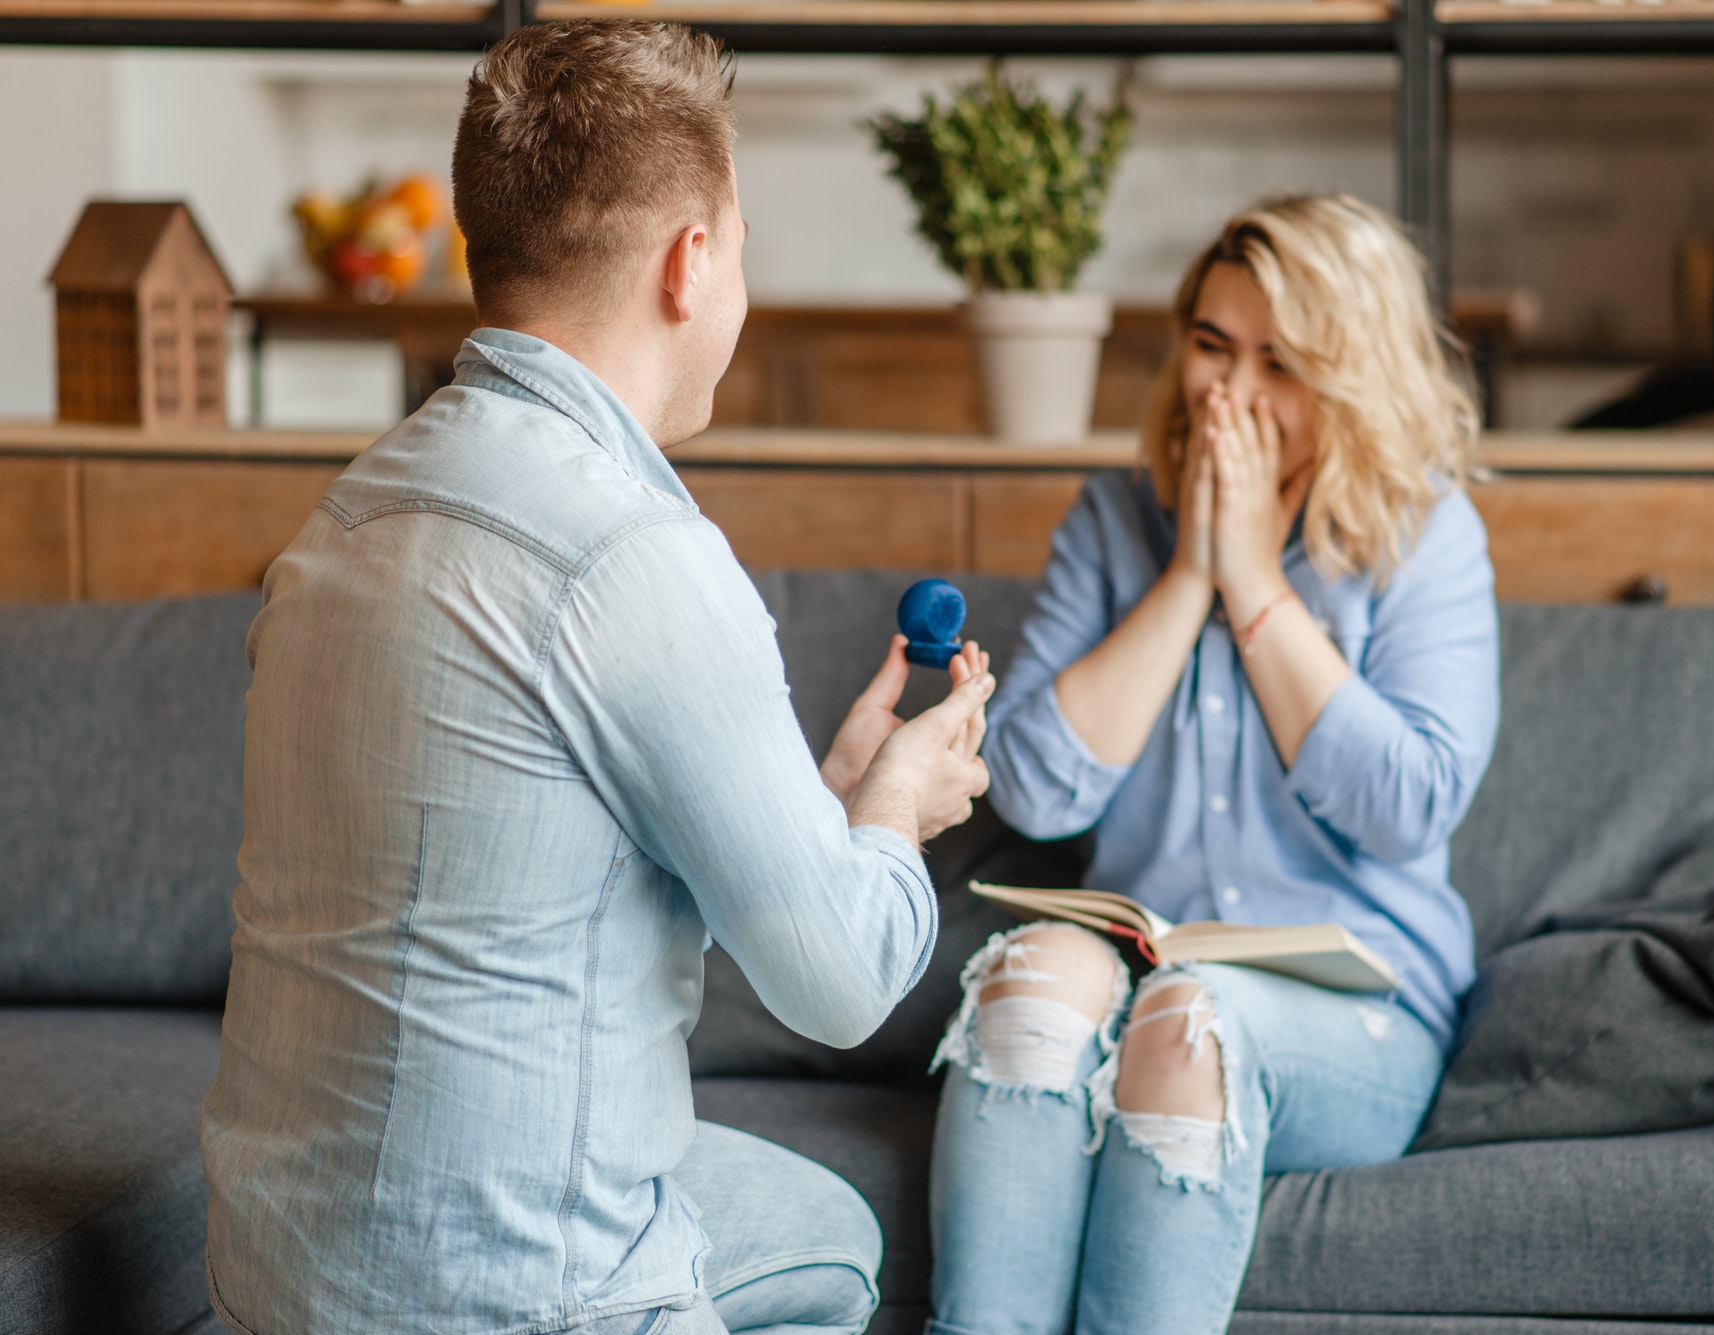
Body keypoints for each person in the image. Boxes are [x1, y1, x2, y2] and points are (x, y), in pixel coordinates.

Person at [199, 20, 994, 1335]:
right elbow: (842, 981)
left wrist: (832, 797)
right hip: (522, 1303)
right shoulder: (639, 556)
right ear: (692, 263)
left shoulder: (343, 519)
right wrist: (898, 810)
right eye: (742, 244)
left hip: (274, 1276)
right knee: (838, 1242)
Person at [927, 195, 1501, 1334]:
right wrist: (1188, 574)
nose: (1225, 394)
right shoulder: (1112, 521)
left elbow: (1410, 807)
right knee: (1028, 985)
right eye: (1208, 346)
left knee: (1193, 1020)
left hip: (1360, 1009)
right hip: (1148, 968)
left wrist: (1254, 585)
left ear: (1349, 383)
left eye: (1277, 364)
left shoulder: (1423, 534)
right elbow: (1035, 791)